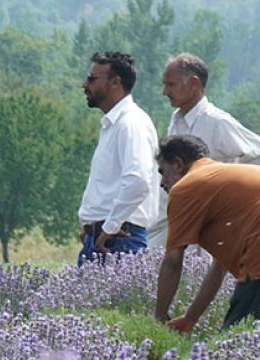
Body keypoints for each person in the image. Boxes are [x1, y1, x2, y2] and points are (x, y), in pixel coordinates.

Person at [152, 53, 260, 247]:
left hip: (210, 230)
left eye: (171, 85)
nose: (165, 92)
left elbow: (256, 154)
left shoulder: (217, 122)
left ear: (194, 83)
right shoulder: (176, 122)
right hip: (176, 221)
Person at [154, 135, 260, 332]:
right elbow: (219, 266)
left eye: (163, 172)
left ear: (178, 164)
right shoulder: (220, 179)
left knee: (236, 342)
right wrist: (190, 318)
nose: (162, 183)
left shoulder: (186, 188)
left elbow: (173, 260)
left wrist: (158, 319)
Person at [77, 51, 160, 265]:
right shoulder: (117, 124)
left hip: (118, 238)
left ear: (115, 82)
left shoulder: (130, 123)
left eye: (92, 79)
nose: (85, 85)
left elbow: (138, 180)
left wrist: (110, 226)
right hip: (105, 236)